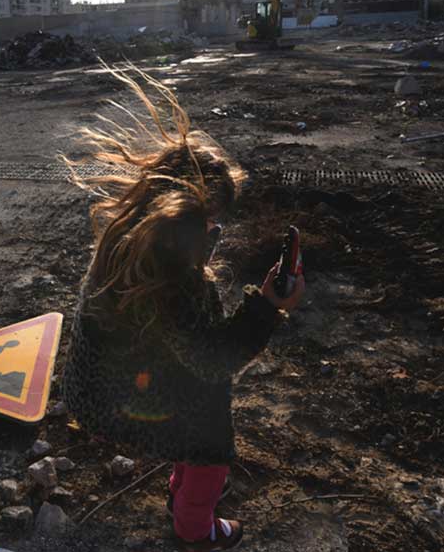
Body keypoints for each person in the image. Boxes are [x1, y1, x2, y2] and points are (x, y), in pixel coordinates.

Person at [61, 64, 305, 550]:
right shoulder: (173, 279)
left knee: (196, 393)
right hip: (116, 402)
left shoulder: (129, 240)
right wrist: (269, 307)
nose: (216, 232)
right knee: (212, 431)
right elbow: (212, 358)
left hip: (95, 386)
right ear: (183, 220)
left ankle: (183, 486)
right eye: (210, 223)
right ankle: (194, 526)